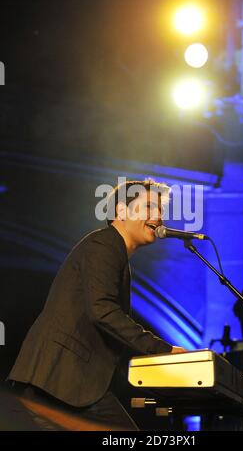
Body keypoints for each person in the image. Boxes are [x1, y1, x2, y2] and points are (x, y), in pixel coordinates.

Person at [6, 179, 187, 431]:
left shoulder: (114, 252)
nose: (158, 217)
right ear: (121, 211)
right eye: (148, 207)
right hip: (56, 382)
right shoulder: (104, 245)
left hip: (72, 385)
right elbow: (103, 312)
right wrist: (164, 350)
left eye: (160, 210)